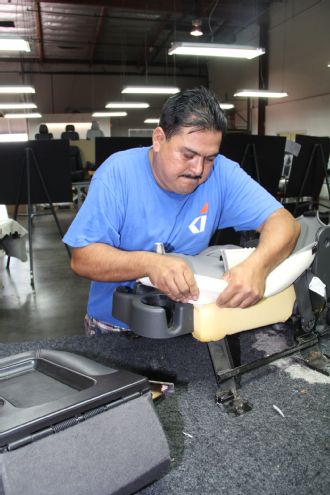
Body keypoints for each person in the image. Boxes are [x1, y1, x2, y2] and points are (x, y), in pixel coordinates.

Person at [63, 86, 300, 336]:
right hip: (115, 327)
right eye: (188, 155)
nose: (198, 169)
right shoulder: (117, 175)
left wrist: (257, 267)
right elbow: (82, 258)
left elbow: (284, 223)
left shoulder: (222, 175)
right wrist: (150, 264)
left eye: (209, 158)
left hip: (189, 324)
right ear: (158, 139)